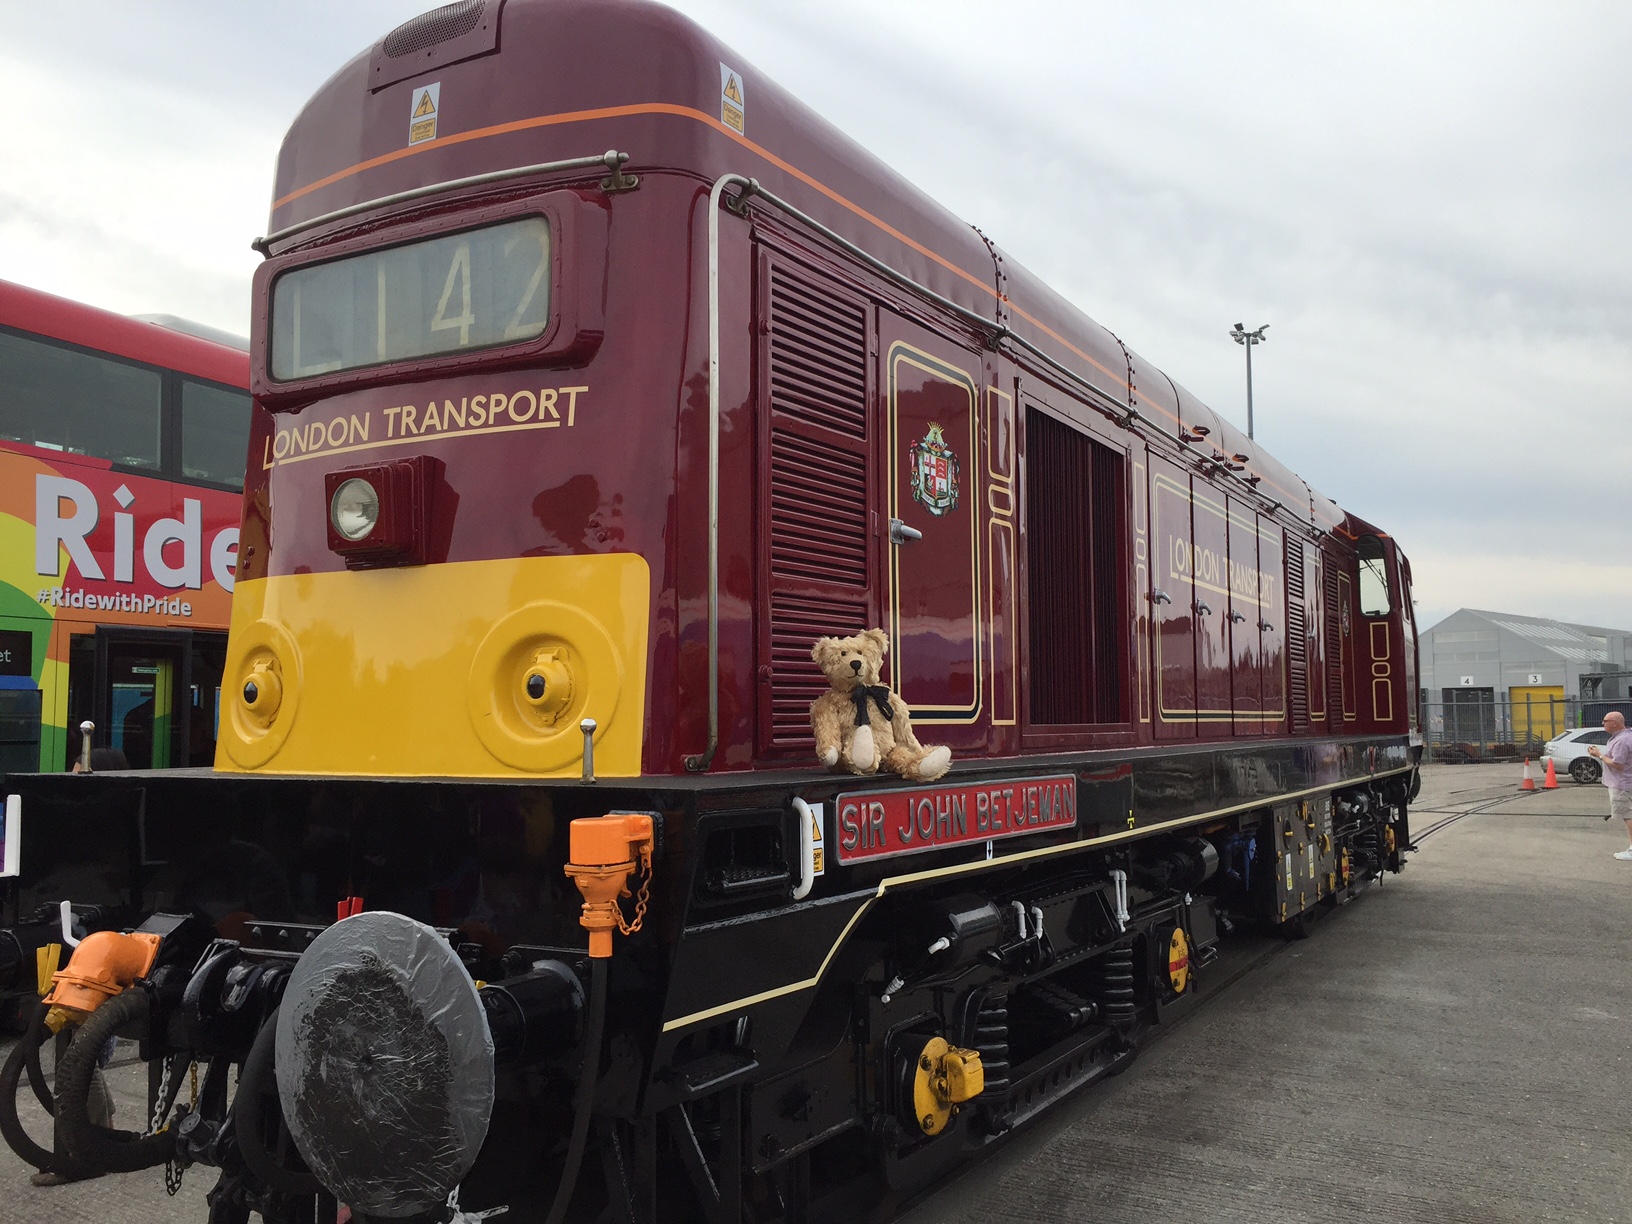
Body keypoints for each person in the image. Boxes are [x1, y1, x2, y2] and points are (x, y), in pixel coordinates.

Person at [1588, 711, 1632, 858]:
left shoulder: (1621, 741)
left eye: (1605, 721)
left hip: (1622, 784)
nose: (1603, 723)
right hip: (1626, 782)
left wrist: (1599, 755)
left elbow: (1618, 765)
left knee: (1628, 815)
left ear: (1615, 723)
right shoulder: (1625, 736)